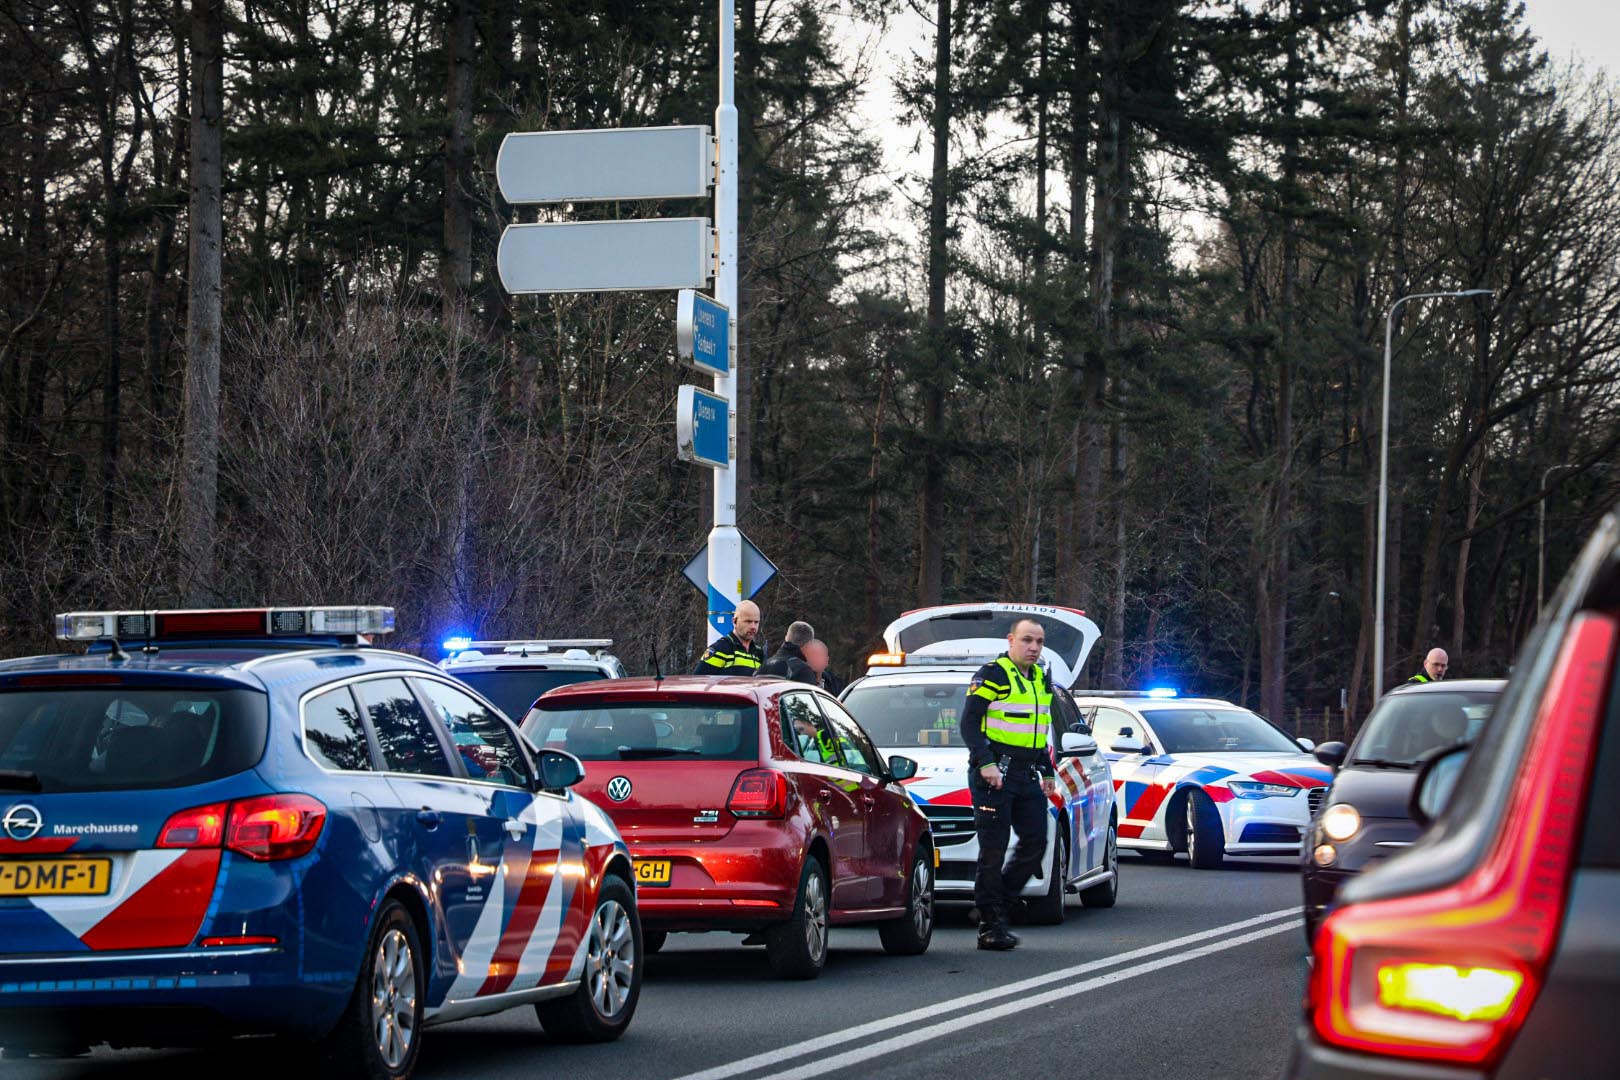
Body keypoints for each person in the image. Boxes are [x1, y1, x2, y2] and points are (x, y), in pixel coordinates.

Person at [959, 617, 1059, 952]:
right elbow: (969, 723)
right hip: (995, 775)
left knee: (1036, 843)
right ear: (1010, 640)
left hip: (1027, 773)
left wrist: (1046, 769)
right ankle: (990, 925)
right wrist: (985, 763)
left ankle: (995, 902)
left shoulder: (1040, 678)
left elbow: (1038, 729)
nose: (1034, 647)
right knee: (994, 849)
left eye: (1039, 641)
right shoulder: (994, 674)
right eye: (1027, 640)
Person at [692, 600, 766, 675]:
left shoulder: (759, 653)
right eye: (748, 621)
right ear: (734, 621)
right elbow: (699, 679)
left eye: (756, 622)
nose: (753, 627)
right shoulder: (720, 649)